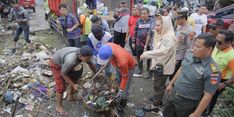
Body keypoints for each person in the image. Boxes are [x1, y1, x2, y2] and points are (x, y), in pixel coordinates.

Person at [164, 33, 220, 117]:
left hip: (187, 103)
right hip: (174, 94)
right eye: (194, 45)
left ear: (208, 50)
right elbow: (181, 69)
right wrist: (171, 84)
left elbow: (208, 95)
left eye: (198, 47)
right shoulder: (191, 54)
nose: (194, 48)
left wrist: (197, 113)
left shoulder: (214, 71)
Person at [140, 16, 177, 107]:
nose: (155, 28)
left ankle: (155, 105)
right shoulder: (164, 33)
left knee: (159, 85)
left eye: (158, 25)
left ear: (165, 26)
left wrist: (146, 54)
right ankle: (158, 98)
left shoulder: (169, 37)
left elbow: (163, 51)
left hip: (164, 66)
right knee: (157, 83)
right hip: (160, 64)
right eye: (155, 25)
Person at [50, 46, 96, 116]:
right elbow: (63, 73)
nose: (89, 60)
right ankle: (58, 106)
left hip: (65, 61)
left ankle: (70, 96)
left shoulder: (84, 54)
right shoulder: (71, 61)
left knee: (75, 76)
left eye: (90, 58)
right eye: (87, 59)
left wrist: (96, 73)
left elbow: (91, 64)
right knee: (61, 87)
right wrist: (73, 85)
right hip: (56, 64)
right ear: (80, 56)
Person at [97, 43, 136, 115]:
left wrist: (121, 90)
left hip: (128, 67)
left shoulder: (122, 62)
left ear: (111, 56)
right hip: (117, 63)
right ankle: (118, 97)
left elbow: (125, 77)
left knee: (124, 89)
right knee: (118, 81)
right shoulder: (107, 47)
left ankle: (122, 107)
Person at [202, 30, 234, 116]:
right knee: (202, 96)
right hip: (209, 74)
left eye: (219, 42)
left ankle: (204, 114)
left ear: (228, 43)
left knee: (209, 99)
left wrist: (224, 84)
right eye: (216, 40)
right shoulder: (218, 46)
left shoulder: (231, 56)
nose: (216, 43)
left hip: (218, 80)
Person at [169, 11, 193, 81]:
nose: (176, 20)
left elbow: (189, 47)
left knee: (175, 76)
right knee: (171, 74)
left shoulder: (190, 30)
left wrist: (184, 61)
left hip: (180, 58)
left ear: (183, 19)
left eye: (178, 18)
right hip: (175, 54)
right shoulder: (179, 27)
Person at [132, 7, 155, 78]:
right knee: (139, 56)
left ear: (148, 14)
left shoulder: (152, 21)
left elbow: (152, 33)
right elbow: (135, 31)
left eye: (144, 13)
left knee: (149, 58)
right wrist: (133, 42)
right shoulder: (138, 21)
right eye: (141, 13)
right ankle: (140, 68)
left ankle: (149, 71)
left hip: (149, 44)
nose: (142, 15)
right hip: (139, 43)